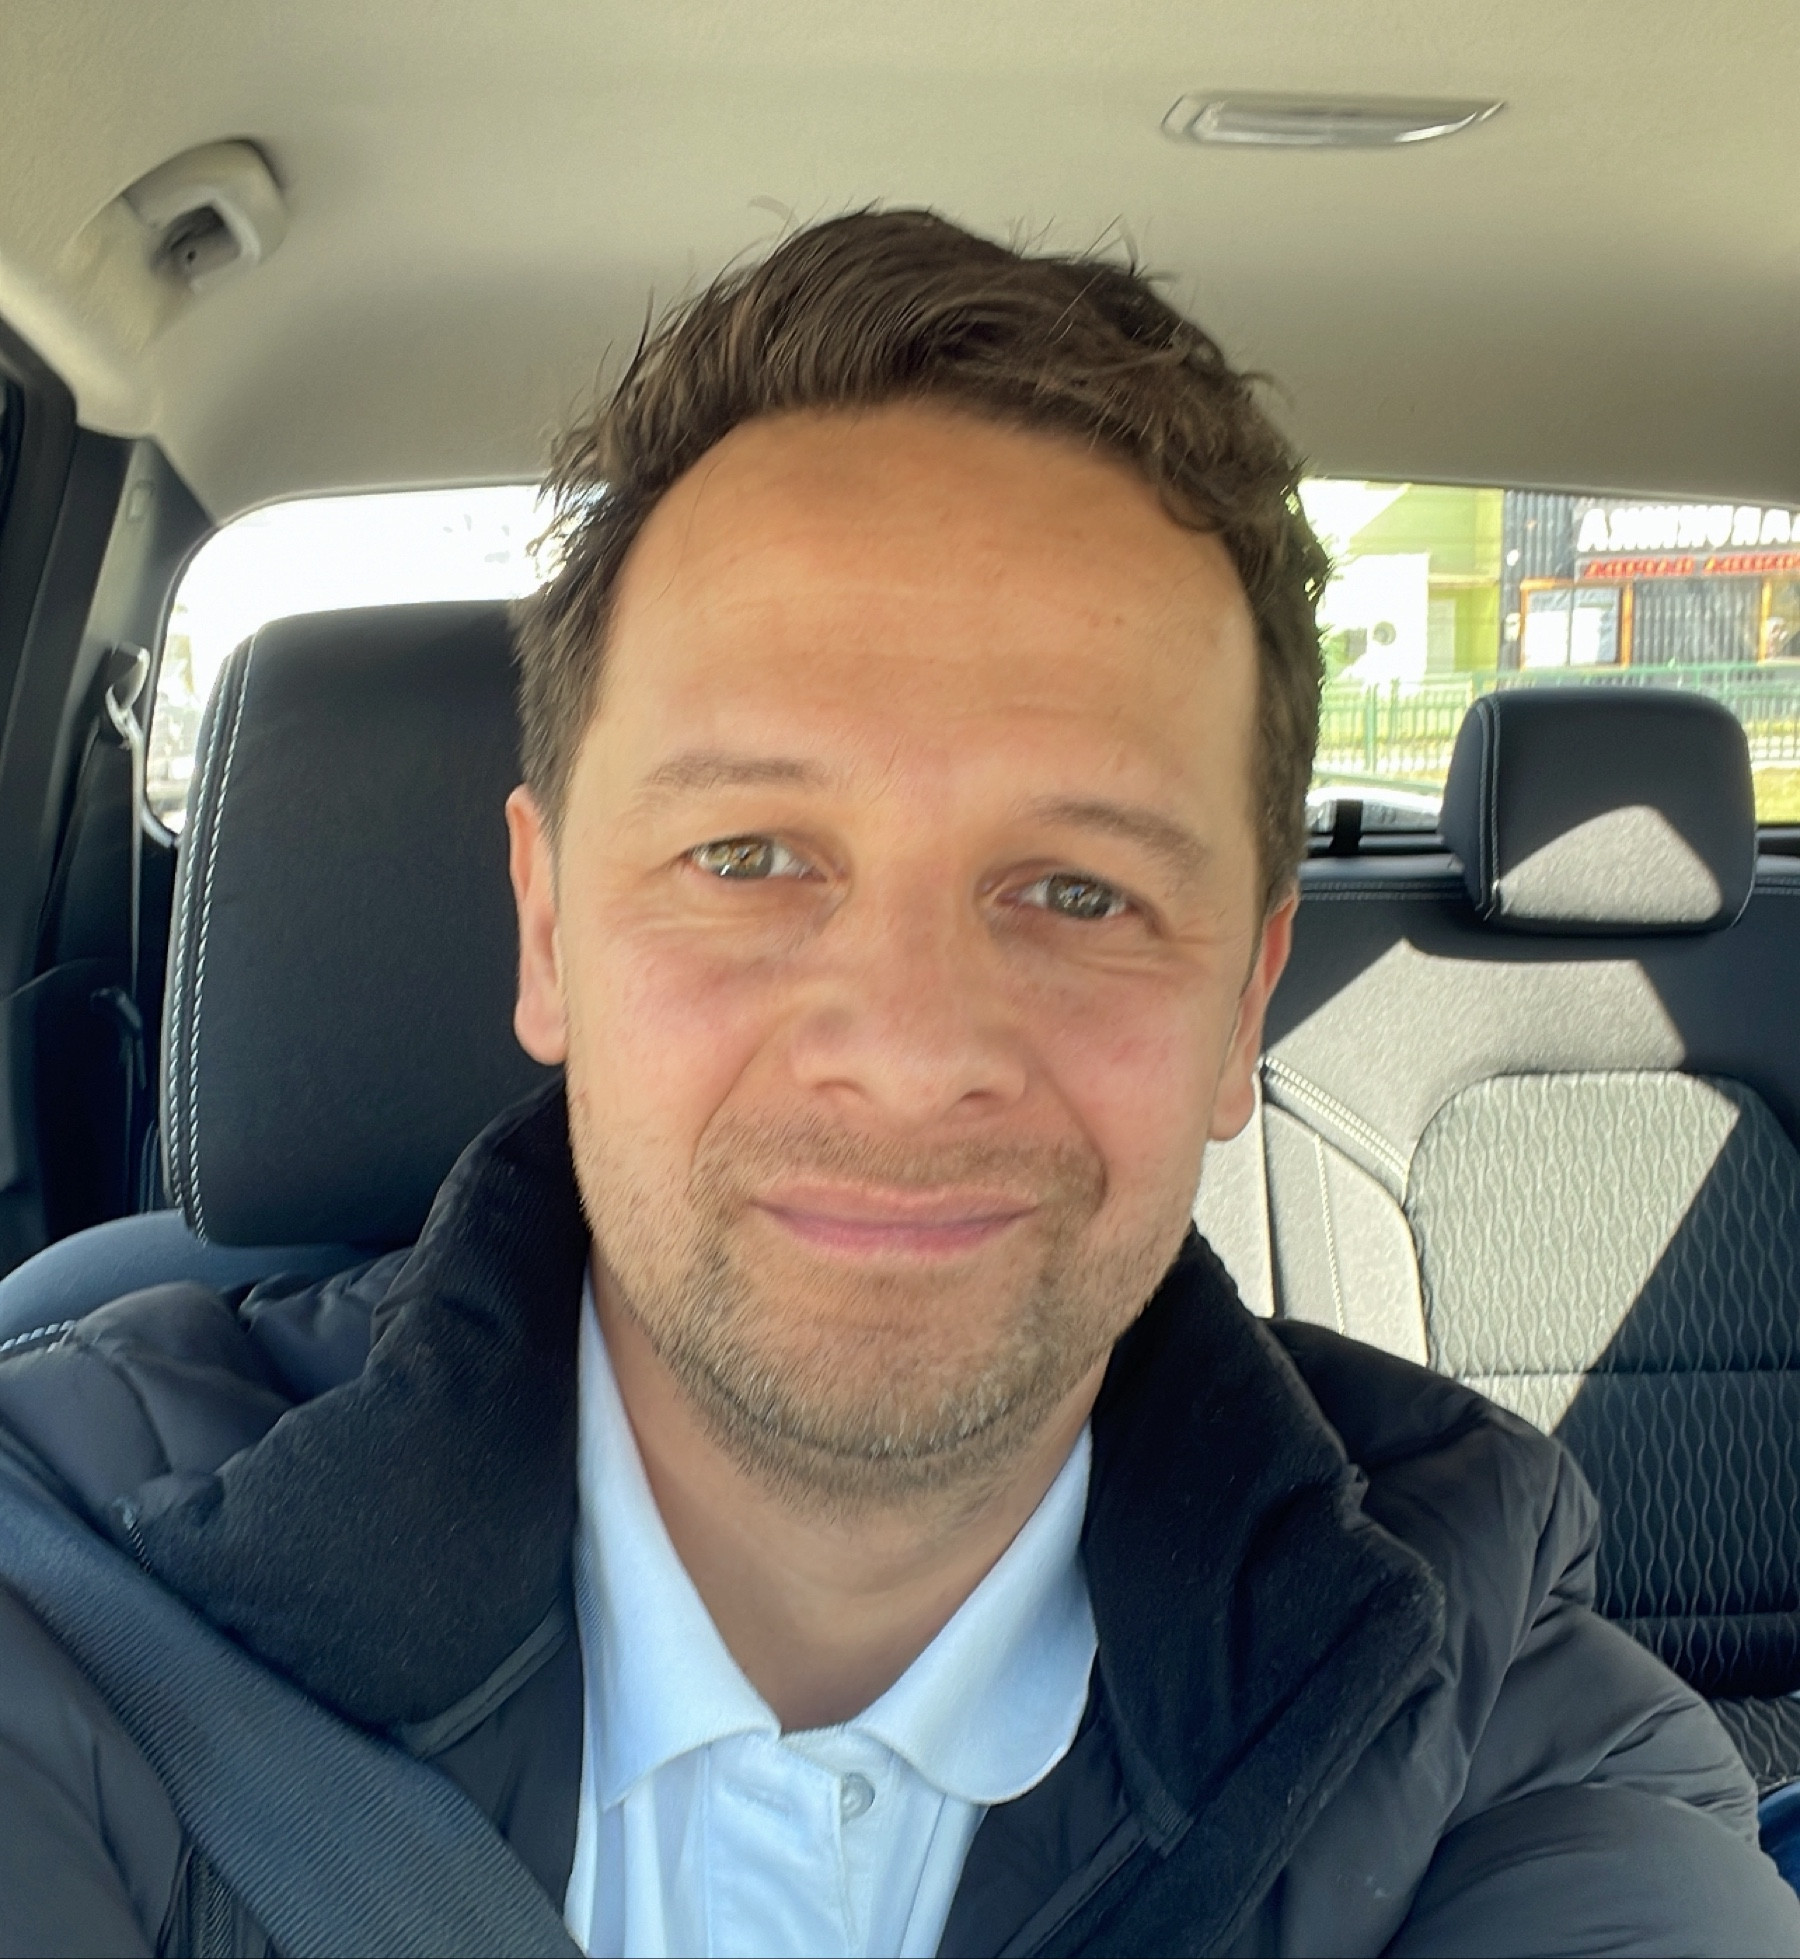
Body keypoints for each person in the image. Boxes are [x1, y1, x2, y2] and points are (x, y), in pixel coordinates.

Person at [2, 209, 1797, 1959]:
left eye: (1079, 891)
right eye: (748, 856)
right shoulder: (74, 1586)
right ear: (547, 932)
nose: (912, 1051)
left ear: (1244, 1002)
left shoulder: (1476, 1710)